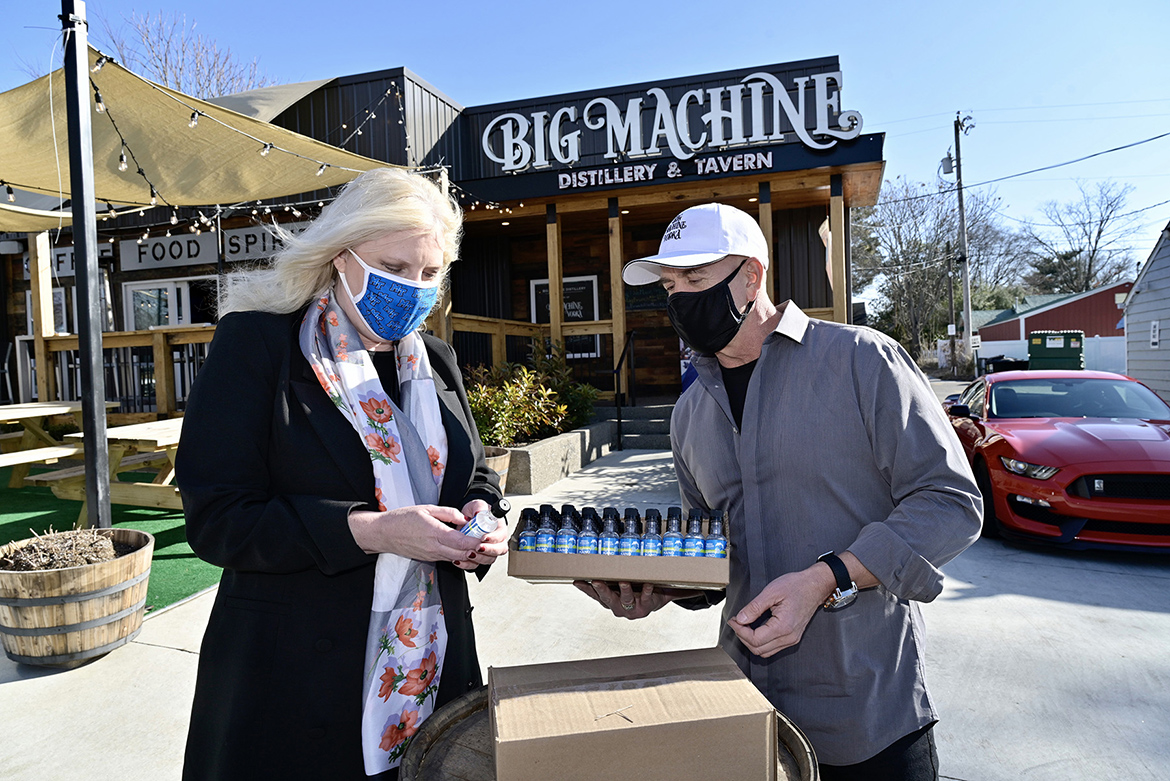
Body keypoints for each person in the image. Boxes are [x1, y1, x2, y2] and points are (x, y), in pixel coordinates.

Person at [576, 203, 982, 780]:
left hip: (867, 710)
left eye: (695, 278)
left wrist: (827, 579)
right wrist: (668, 587)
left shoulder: (863, 361)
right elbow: (721, 549)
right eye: (669, 285)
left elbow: (950, 503)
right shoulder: (690, 413)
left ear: (752, 274)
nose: (680, 298)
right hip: (746, 712)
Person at [176, 168, 507, 780]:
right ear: (339, 258)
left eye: (429, 273)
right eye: (394, 266)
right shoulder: (258, 344)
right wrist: (373, 531)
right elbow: (218, 518)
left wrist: (484, 513)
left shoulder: (433, 358)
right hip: (292, 678)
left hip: (433, 666)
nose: (414, 287)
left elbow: (474, 472)